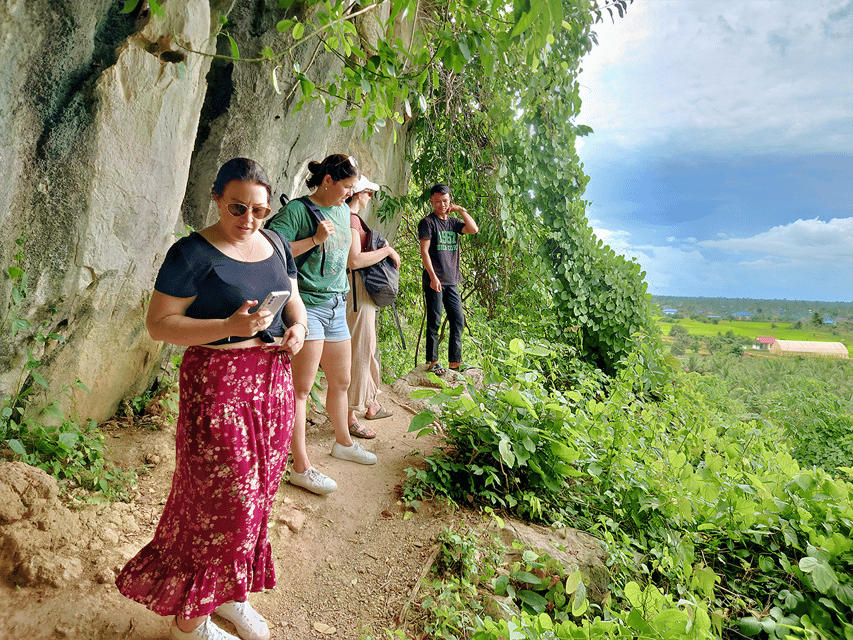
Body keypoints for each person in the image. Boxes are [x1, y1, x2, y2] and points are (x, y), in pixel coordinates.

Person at [116, 158, 307, 640]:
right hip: (217, 382)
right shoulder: (191, 254)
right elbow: (159, 324)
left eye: (260, 211)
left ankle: (230, 593)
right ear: (217, 198)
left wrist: (299, 330)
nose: (249, 221)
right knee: (221, 499)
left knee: (261, 494)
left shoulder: (277, 243)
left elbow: (293, 298)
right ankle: (191, 618)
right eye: (238, 208)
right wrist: (227, 327)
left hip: (272, 380)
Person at [267, 154, 376, 496]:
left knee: (341, 381)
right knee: (301, 389)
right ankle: (300, 465)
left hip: (336, 306)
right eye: (345, 187)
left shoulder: (344, 212)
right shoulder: (297, 212)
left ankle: (343, 441)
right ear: (327, 180)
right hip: (307, 307)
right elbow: (270, 251)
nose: (349, 194)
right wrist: (313, 239)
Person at [345, 175, 401, 439]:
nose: (370, 198)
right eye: (368, 193)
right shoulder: (352, 219)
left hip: (360, 292)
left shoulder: (351, 218)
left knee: (367, 346)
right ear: (359, 193)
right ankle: (350, 414)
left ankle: (371, 404)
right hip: (356, 291)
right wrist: (387, 252)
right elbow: (354, 260)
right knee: (360, 348)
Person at [418, 183, 479, 376]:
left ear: (449, 200)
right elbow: (424, 252)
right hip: (435, 279)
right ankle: (433, 361)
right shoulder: (427, 223)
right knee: (434, 320)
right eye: (438, 202)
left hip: (452, 280)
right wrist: (433, 277)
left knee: (458, 319)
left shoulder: (453, 223)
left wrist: (460, 210)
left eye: (445, 201)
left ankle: (455, 361)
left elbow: (473, 229)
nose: (442, 205)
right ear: (432, 201)